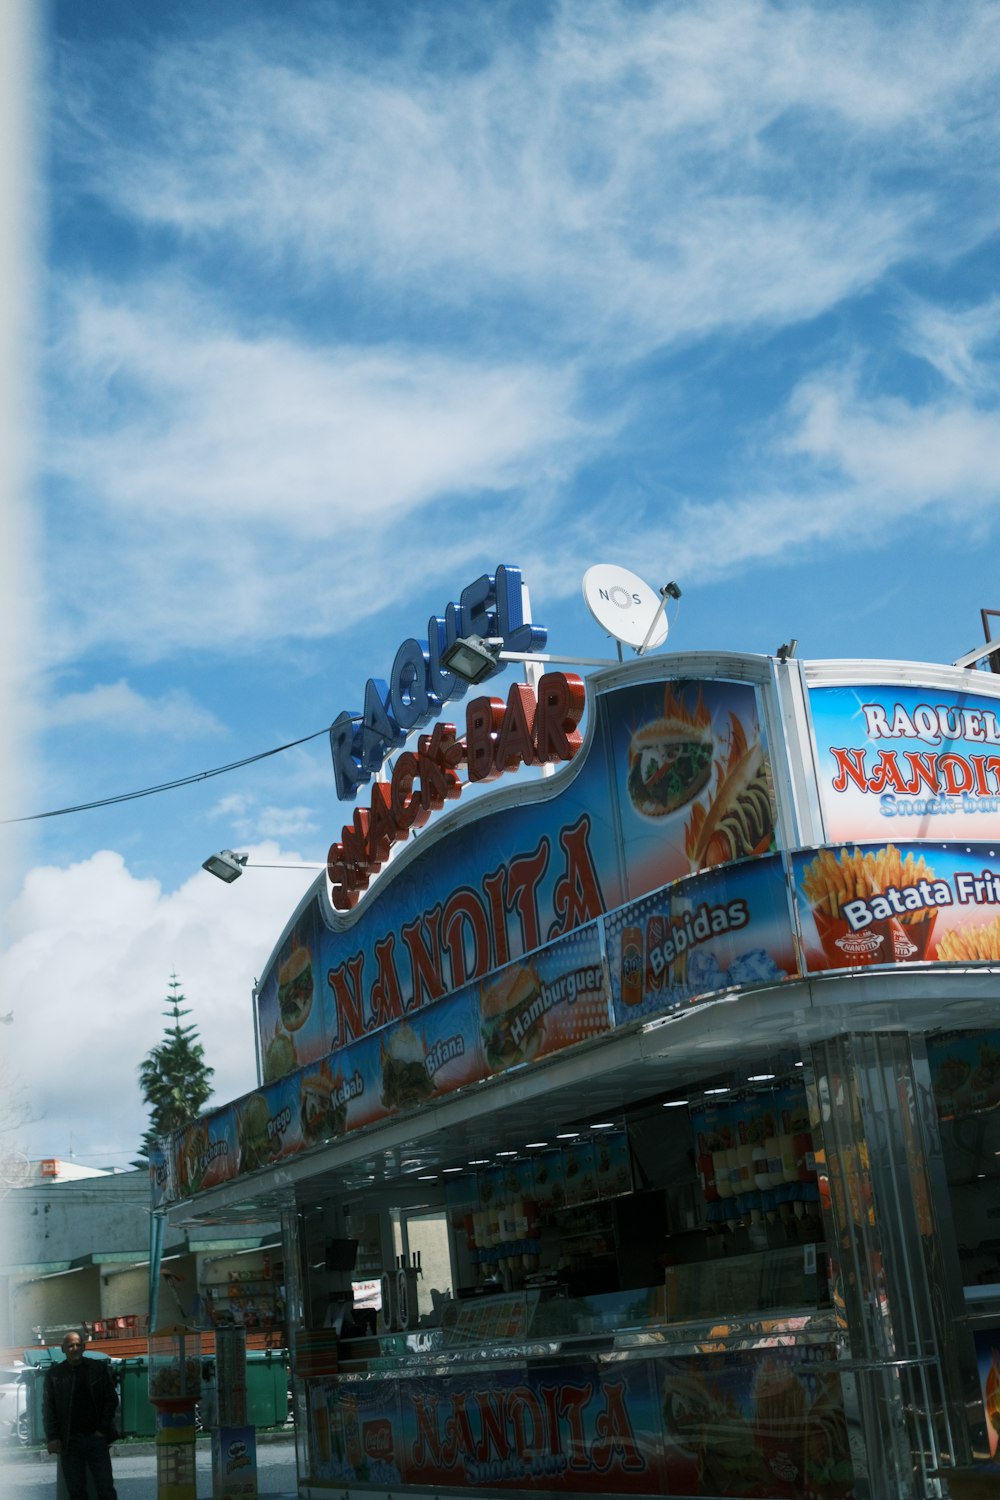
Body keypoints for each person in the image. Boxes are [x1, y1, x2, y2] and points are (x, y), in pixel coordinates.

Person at [42, 1330, 118, 1500]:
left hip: (96, 1439)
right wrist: (53, 1437)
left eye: (78, 1345)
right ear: (63, 1349)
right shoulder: (54, 1376)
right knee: (76, 1491)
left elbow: (111, 1400)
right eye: (70, 1345)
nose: (74, 1348)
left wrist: (102, 1430)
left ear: (84, 1347)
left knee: (105, 1488)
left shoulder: (98, 1369)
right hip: (70, 1442)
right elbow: (48, 1409)